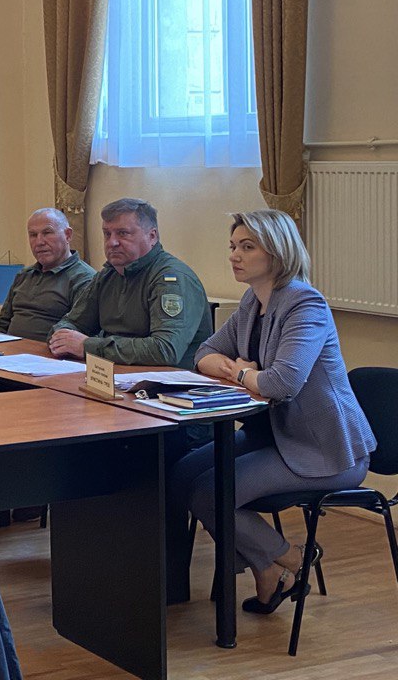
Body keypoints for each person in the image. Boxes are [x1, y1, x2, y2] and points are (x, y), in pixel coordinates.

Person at [168, 210, 375, 614]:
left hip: (324, 450)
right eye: (233, 246)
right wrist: (244, 371)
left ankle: (291, 559)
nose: (234, 255)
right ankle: (271, 566)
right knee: (180, 476)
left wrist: (240, 371)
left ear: (278, 253)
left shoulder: (305, 304)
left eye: (247, 247)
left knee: (211, 493)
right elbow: (204, 354)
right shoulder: (253, 302)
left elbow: (282, 383)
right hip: (273, 436)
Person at [48, 198, 210, 368]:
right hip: (115, 374)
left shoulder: (170, 278)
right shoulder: (108, 275)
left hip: (167, 380)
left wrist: (88, 346)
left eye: (123, 233)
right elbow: (74, 322)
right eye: (107, 234)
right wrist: (62, 337)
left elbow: (165, 350)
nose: (112, 242)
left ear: (152, 236)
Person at [0, 207, 96, 341]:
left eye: (47, 233)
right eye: (33, 235)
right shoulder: (24, 275)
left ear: (68, 235)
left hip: (49, 352)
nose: (39, 242)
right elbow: (1, 325)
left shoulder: (85, 279)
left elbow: (75, 335)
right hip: (8, 351)